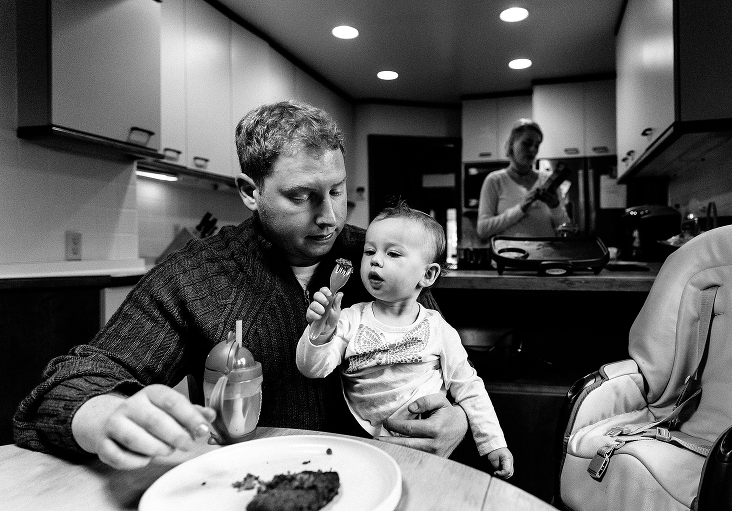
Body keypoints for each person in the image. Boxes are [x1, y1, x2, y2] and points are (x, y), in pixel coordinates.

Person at [13, 100, 468, 470]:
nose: (329, 217)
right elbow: (67, 388)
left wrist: (458, 420)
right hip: (249, 489)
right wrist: (107, 414)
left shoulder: (383, 260)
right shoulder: (195, 276)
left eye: (336, 190)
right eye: (301, 196)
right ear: (251, 191)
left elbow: (445, 368)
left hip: (388, 475)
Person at [296, 201, 514, 479]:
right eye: (369, 251)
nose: (375, 260)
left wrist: (493, 443)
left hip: (423, 447)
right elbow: (313, 369)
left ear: (428, 274)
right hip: (362, 441)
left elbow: (468, 386)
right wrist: (320, 333)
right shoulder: (349, 319)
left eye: (393, 253)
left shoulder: (437, 328)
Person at [476, 118, 570, 241]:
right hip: (509, 259)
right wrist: (520, 208)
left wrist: (555, 206)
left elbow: (566, 228)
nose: (533, 150)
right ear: (511, 144)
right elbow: (483, 230)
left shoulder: (546, 180)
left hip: (545, 258)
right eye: (527, 143)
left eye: (537, 145)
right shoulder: (495, 180)